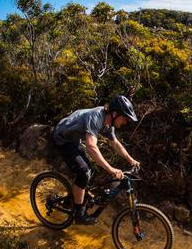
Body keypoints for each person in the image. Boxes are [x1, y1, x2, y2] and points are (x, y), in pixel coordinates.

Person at [53, 95, 141, 224]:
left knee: (90, 170)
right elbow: (91, 146)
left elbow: (115, 144)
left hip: (74, 139)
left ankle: (70, 200)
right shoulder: (96, 117)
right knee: (83, 171)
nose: (126, 122)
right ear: (115, 113)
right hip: (62, 137)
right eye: (125, 118)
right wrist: (111, 169)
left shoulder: (108, 123)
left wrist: (131, 160)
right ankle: (79, 214)